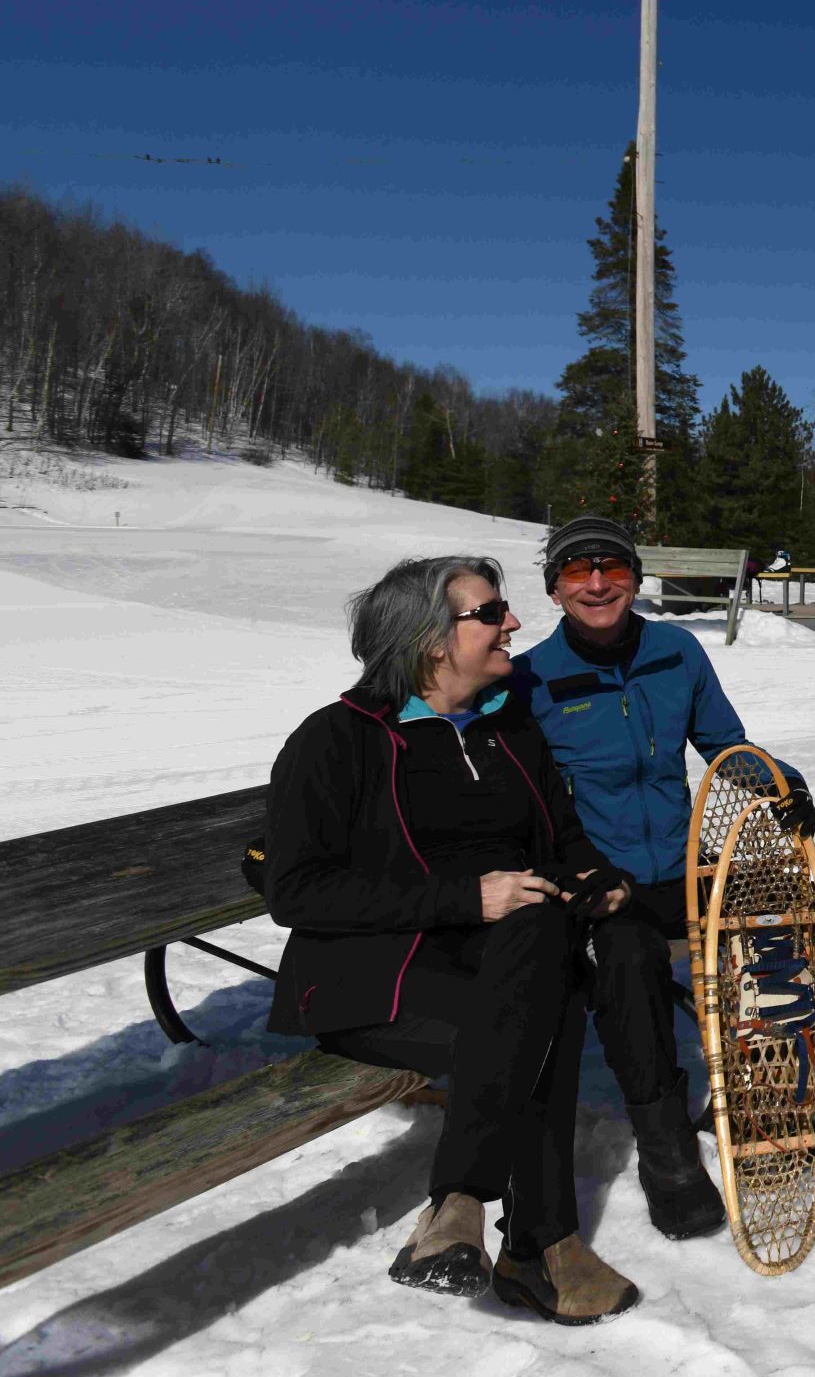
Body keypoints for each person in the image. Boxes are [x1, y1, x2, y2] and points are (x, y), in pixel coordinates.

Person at [263, 555, 642, 1324]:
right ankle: (543, 1245)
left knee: (539, 958)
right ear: (433, 641)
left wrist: (599, 878)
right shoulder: (337, 740)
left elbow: (563, 840)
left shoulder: (506, 727)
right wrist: (467, 897)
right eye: (492, 611)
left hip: (500, 963)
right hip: (373, 978)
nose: (513, 623)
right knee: (545, 1006)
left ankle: (460, 1205)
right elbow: (295, 889)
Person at [511, 515, 815, 1240]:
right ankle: (666, 1149)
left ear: (636, 578)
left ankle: (750, 1073)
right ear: (555, 588)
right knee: (629, 956)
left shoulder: (676, 652)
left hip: (687, 866)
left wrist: (781, 783)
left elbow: (725, 744)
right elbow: (523, 797)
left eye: (612, 566)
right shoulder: (529, 680)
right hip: (602, 878)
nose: (598, 582)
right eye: (578, 570)